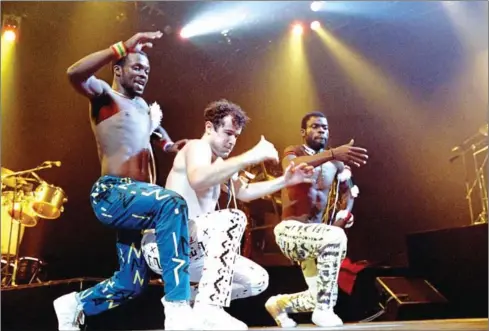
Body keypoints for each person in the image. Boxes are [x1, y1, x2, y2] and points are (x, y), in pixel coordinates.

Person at [53, 31, 196, 331]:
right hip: (112, 194)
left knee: (132, 282)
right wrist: (118, 48)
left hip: (137, 204)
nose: (144, 73)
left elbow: (152, 130)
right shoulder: (105, 96)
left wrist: (168, 146)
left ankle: (74, 304)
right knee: (172, 203)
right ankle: (178, 303)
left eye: (147, 70)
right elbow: (73, 74)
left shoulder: (143, 107)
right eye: (136, 67)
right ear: (118, 69)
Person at [141, 99, 315, 329]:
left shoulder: (219, 163)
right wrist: (250, 156)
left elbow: (245, 192)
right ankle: (209, 307)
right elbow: (198, 178)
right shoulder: (196, 147)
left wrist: (286, 180)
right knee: (233, 218)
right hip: (166, 244)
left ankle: (187, 303)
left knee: (257, 280)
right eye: (228, 133)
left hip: (193, 248)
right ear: (209, 128)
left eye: (236, 135)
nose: (232, 140)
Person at [264, 111, 369, 328]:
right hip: (289, 232)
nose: (322, 130)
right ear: (304, 132)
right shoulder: (294, 152)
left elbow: (350, 192)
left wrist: (344, 214)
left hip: (317, 237)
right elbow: (292, 167)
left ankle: (279, 304)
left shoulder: (336, 165)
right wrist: (333, 153)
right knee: (334, 237)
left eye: (325, 127)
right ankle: (324, 311)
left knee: (318, 295)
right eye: (315, 126)